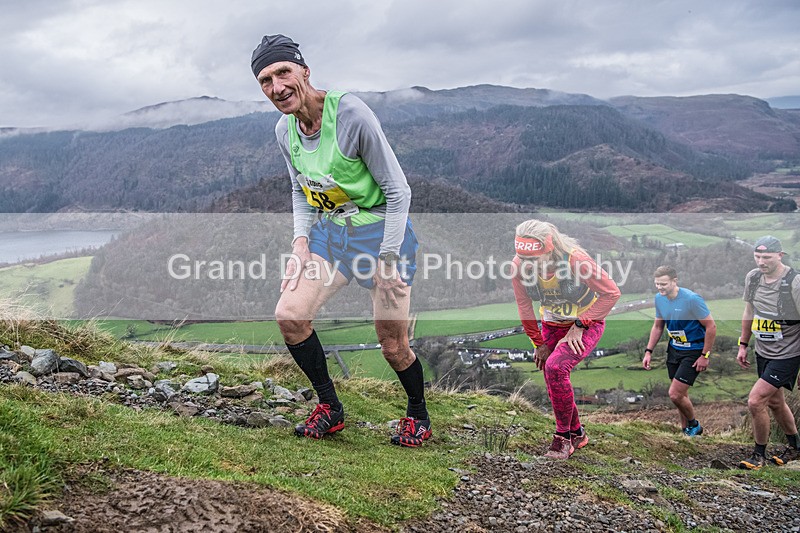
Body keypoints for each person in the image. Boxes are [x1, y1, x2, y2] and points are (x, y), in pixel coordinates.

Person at [252, 34, 430, 447]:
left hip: (382, 238)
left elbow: (399, 191)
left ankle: (418, 414)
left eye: (283, 73)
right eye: (265, 80)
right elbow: (299, 189)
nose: (277, 87)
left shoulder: (350, 114)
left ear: (304, 71)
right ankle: (330, 408)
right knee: (290, 316)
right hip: (331, 236)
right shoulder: (285, 130)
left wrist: (387, 260)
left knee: (393, 346)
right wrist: (300, 243)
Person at [512, 220, 620, 459]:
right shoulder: (518, 266)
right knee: (552, 376)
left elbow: (611, 293)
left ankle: (563, 440)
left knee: (556, 367)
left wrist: (580, 325)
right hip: (551, 325)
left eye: (533, 259)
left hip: (586, 323)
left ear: (549, 249)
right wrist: (537, 342)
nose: (527, 265)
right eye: (522, 257)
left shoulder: (576, 261)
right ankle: (578, 433)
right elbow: (524, 305)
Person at [736, 235, 800, 469]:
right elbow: (749, 311)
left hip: (789, 352)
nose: (761, 261)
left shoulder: (795, 282)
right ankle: (795, 447)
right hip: (763, 349)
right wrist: (743, 344)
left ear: (780, 256)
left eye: (767, 257)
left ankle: (758, 455)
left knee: (756, 401)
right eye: (757, 256)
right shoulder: (752, 278)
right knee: (775, 401)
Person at [642, 266, 716, 437]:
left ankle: (694, 425)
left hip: (694, 350)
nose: (660, 288)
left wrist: (705, 355)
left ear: (675, 281)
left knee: (675, 394)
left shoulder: (692, 299)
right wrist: (648, 351)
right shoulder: (659, 298)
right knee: (681, 394)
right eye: (657, 284)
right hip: (674, 348)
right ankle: (686, 432)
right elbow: (658, 325)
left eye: (664, 284)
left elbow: (711, 326)